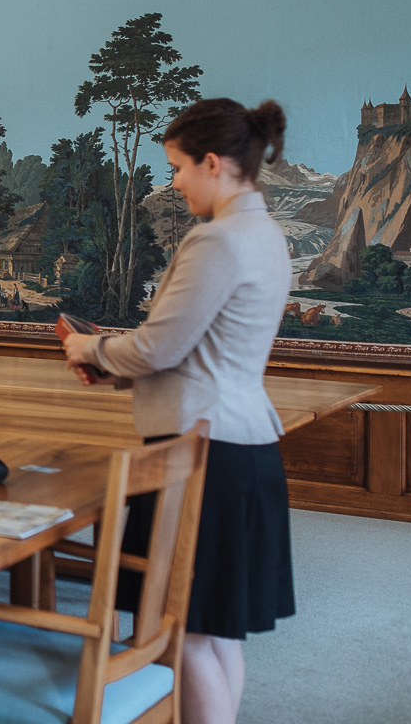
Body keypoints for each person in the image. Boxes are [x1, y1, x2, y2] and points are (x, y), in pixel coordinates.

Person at [63, 98, 295, 724]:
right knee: (218, 633)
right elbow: (197, 348)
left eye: (176, 168)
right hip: (243, 448)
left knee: (178, 630)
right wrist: (118, 357)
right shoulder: (267, 234)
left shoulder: (215, 240)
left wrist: (88, 346)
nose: (173, 182)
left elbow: (162, 345)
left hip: (199, 457)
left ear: (213, 163)